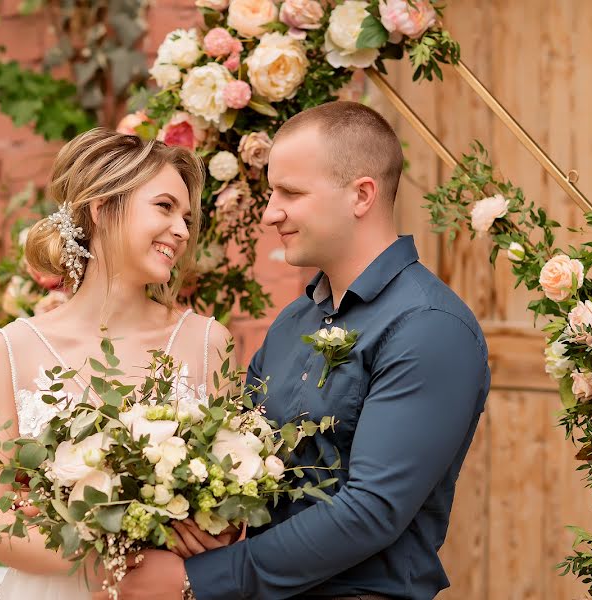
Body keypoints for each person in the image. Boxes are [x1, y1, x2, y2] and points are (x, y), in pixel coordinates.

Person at [117, 101, 491, 600]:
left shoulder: (429, 327)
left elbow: (372, 510)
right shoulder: (295, 321)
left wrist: (198, 580)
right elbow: (239, 453)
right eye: (272, 192)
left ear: (361, 195)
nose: (272, 212)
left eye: (290, 193)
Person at [0, 128, 232, 599]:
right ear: (103, 206)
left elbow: (234, 510)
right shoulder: (15, 348)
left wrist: (218, 532)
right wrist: (115, 563)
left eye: (187, 217)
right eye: (165, 207)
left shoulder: (208, 342)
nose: (183, 231)